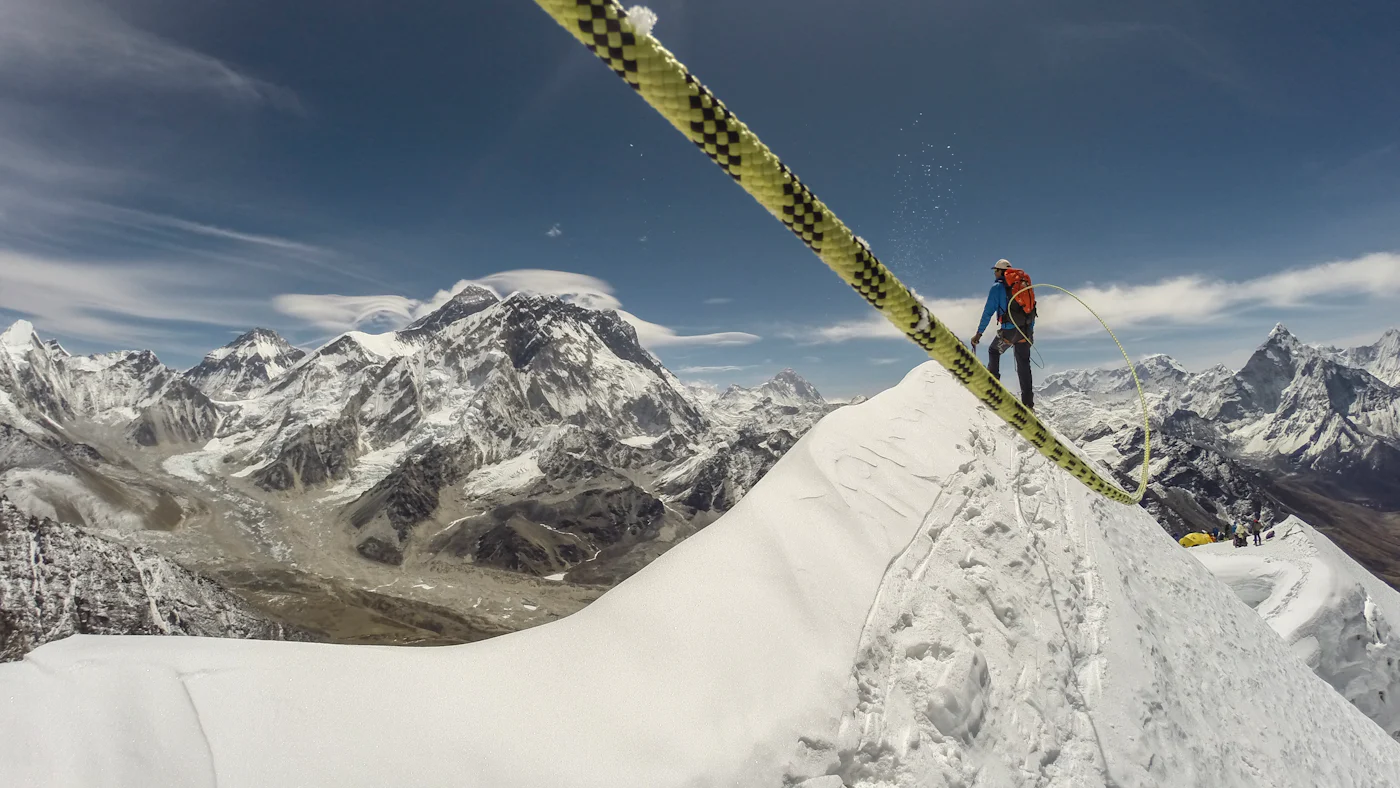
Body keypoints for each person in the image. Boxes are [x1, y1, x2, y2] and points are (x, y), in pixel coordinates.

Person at [971, 259, 1037, 411]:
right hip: (1025, 331)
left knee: (994, 351)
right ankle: (1028, 404)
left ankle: (993, 388)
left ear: (1001, 271)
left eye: (996, 270)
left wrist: (978, 334)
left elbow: (988, 312)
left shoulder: (998, 288)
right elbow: (1031, 310)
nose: (994, 273)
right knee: (1023, 364)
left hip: (1010, 330)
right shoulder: (1023, 286)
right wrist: (1030, 332)